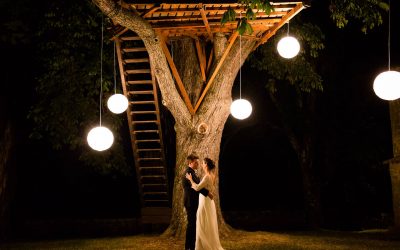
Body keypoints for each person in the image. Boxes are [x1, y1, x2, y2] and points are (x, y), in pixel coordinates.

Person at [186, 157, 224, 250]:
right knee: (208, 223)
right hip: (209, 202)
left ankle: (203, 246)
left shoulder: (207, 176)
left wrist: (191, 180)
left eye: (203, 163)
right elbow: (210, 189)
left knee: (202, 222)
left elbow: (198, 188)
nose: (201, 165)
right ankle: (207, 243)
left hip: (204, 202)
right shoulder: (212, 175)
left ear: (206, 164)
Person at [182, 154, 213, 250]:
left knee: (194, 224)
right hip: (190, 202)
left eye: (198, 162)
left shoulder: (193, 172)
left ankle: (193, 245)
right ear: (190, 162)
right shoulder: (188, 173)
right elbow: (198, 188)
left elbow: (198, 185)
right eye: (196, 162)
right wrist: (208, 193)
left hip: (194, 202)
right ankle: (188, 247)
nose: (198, 164)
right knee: (191, 224)